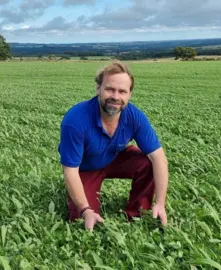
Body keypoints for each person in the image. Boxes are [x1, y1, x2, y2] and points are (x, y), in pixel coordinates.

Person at [58, 61, 169, 232]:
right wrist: (86, 210)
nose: (115, 97)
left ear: (129, 94)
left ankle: (138, 211)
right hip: (85, 169)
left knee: (147, 162)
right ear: (98, 89)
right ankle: (83, 205)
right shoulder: (75, 121)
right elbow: (70, 170)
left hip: (114, 157)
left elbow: (158, 158)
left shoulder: (134, 117)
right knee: (81, 220)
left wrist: (160, 202)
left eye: (122, 91)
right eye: (110, 89)